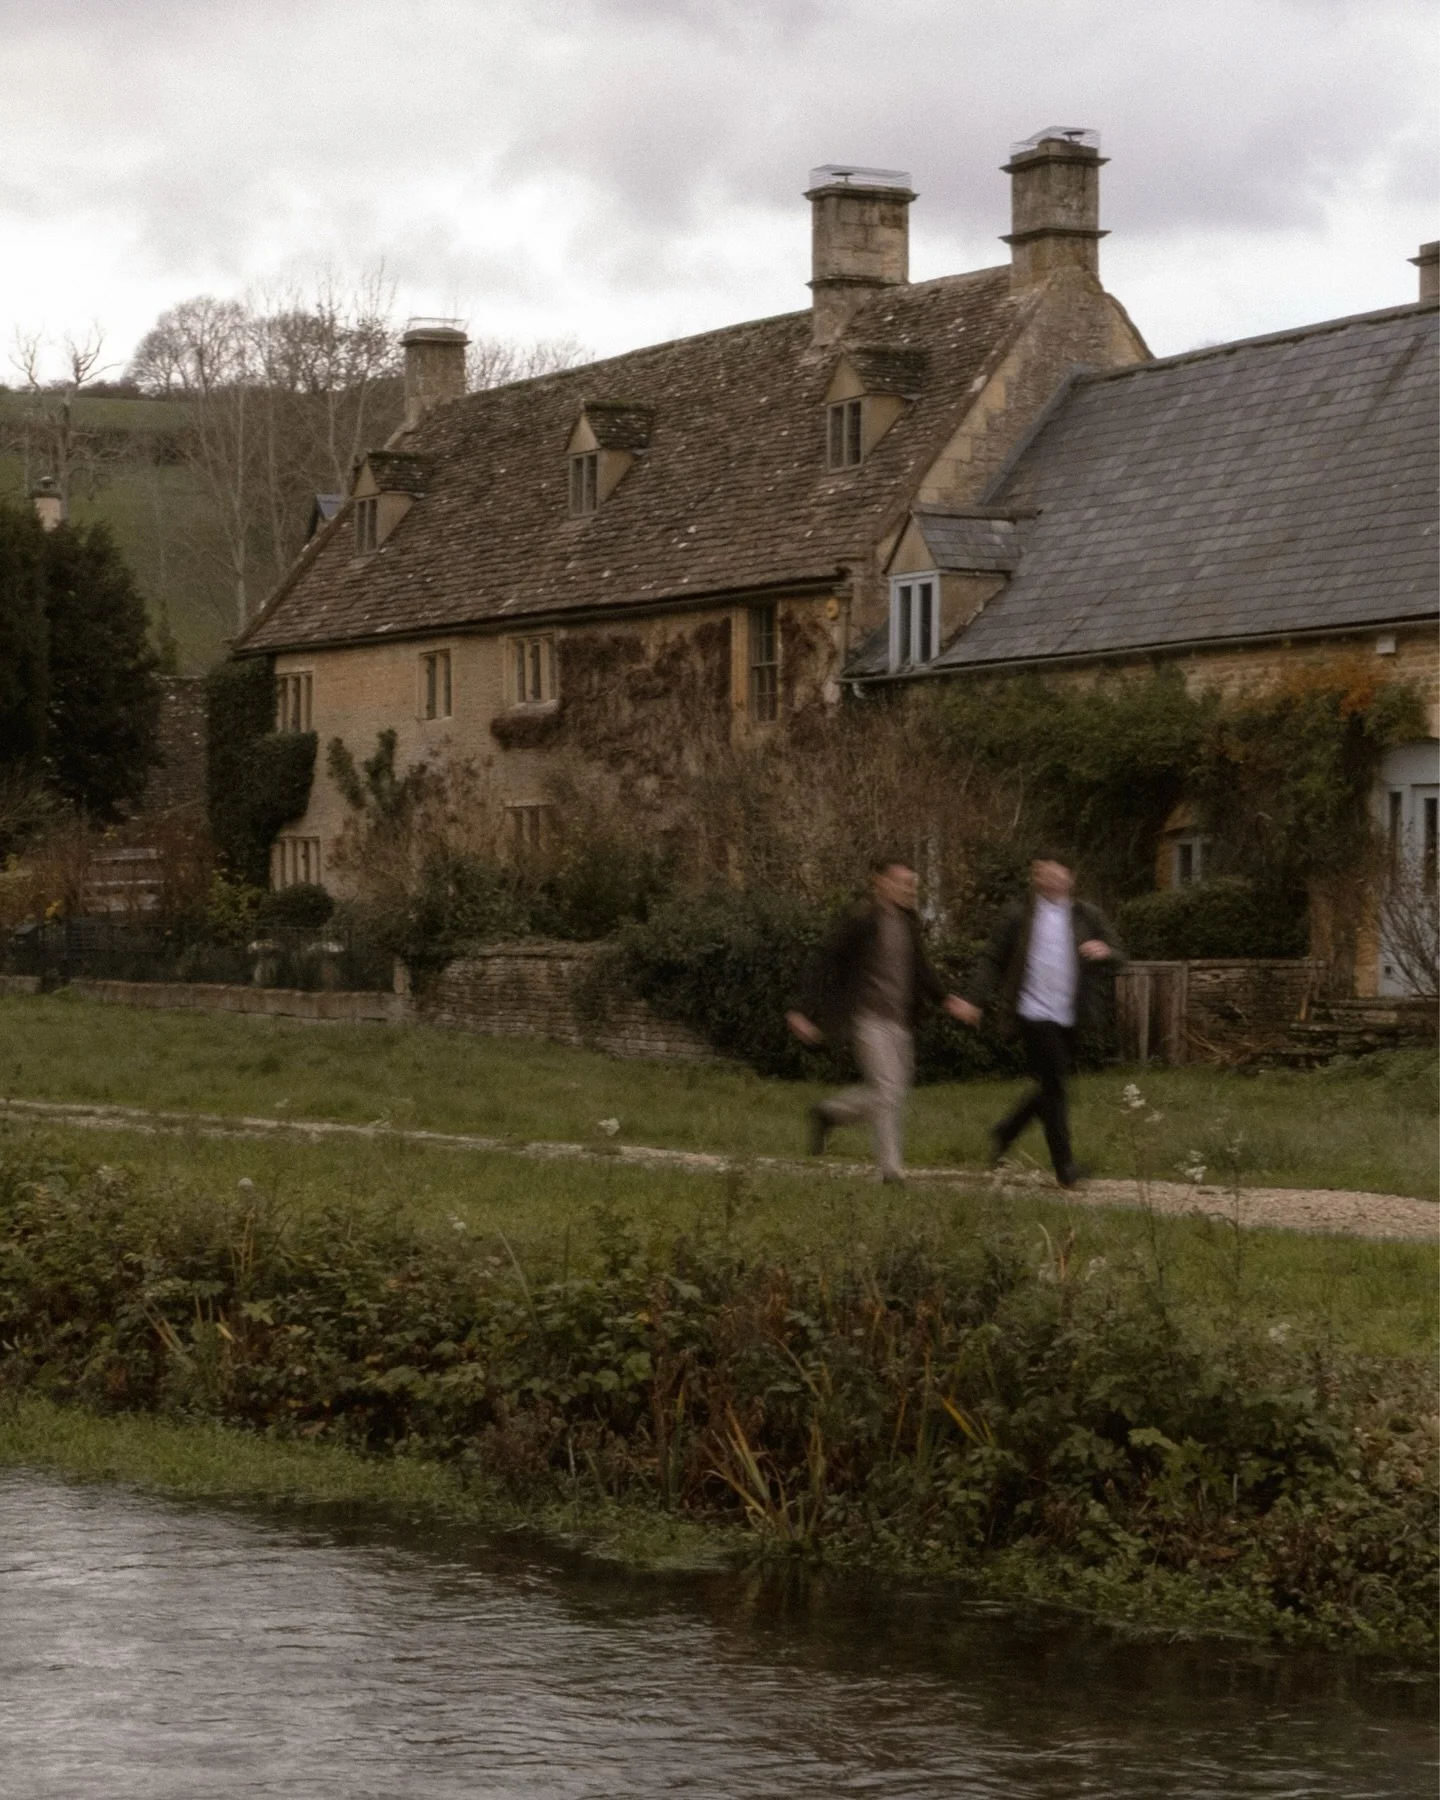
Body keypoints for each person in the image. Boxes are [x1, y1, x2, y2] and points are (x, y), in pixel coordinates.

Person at [787, 856, 969, 1184]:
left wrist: (947, 999)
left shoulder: (909, 923)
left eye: (912, 884)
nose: (909, 889)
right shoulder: (862, 921)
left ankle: (830, 1112)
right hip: (866, 1018)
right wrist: (802, 1008)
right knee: (887, 1089)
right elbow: (824, 960)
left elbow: (922, 970)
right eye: (903, 882)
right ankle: (889, 1171)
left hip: (900, 1022)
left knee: (892, 1092)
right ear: (881, 883)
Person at [951, 852, 1124, 1189]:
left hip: (1071, 1015)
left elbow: (1120, 953)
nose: (1049, 879)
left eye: (1056, 873)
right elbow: (992, 959)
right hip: (1033, 1012)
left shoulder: (1087, 915)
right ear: (1036, 879)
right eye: (1042, 873)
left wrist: (1105, 952)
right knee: (1056, 1089)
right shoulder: (1018, 916)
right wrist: (973, 998)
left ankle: (1007, 1130)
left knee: (1050, 1086)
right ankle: (1065, 1169)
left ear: (1070, 878)